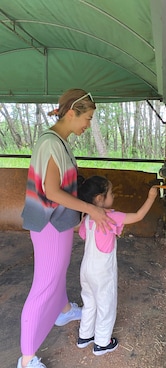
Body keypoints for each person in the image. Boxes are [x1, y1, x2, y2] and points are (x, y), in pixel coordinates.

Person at [18, 89, 115, 368]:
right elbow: (51, 191)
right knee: (43, 286)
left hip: (58, 222)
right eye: (88, 117)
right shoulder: (50, 143)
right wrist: (92, 209)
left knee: (58, 272)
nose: (88, 124)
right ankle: (26, 359)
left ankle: (62, 310)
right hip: (49, 224)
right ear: (71, 113)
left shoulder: (59, 141)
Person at [76, 175, 158, 356]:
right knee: (106, 305)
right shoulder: (110, 216)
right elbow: (138, 216)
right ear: (99, 198)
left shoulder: (88, 217)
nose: (114, 195)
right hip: (102, 271)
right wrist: (151, 197)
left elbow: (82, 234)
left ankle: (85, 336)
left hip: (86, 269)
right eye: (111, 193)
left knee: (89, 302)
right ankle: (102, 343)